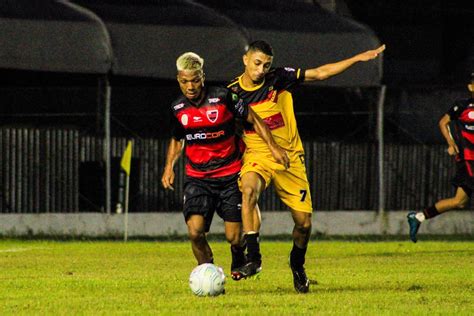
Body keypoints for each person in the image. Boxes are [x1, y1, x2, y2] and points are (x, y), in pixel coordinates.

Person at [227, 40, 386, 292]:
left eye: (266, 65)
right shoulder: (232, 92)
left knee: (303, 224)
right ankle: (254, 259)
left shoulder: (279, 78)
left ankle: (297, 265)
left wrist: (357, 58)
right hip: (259, 154)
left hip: (290, 158)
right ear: (245, 59)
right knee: (248, 191)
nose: (261, 70)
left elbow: (320, 73)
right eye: (257, 63)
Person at [161, 52, 288, 271]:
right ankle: (206, 271)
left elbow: (254, 119)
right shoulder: (177, 108)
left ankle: (238, 256)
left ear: (202, 76)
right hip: (198, 178)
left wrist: (273, 147)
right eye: (184, 81)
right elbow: (176, 138)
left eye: (194, 80)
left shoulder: (223, 97)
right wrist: (168, 167)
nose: (190, 86)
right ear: (178, 80)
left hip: (230, 175)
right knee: (195, 232)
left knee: (234, 237)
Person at [407, 73, 474, 243]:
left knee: (459, 202)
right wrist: (451, 143)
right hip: (468, 159)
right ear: (471, 87)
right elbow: (443, 122)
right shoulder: (462, 106)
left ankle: (419, 217)